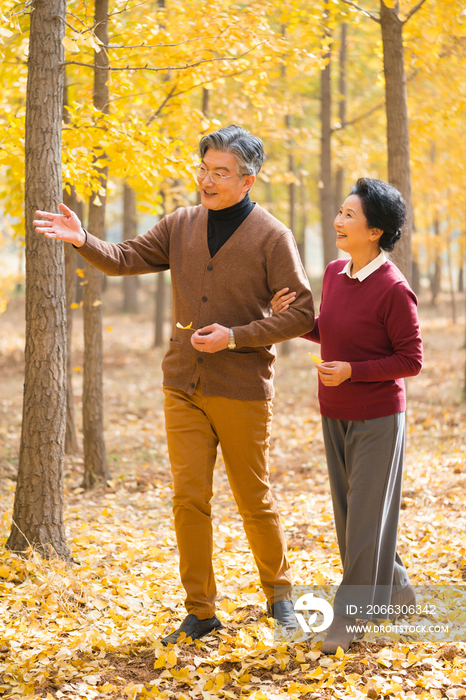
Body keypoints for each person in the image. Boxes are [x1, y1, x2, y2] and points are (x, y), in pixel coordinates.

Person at [34, 125, 315, 644]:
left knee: (253, 497)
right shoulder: (180, 224)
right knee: (189, 499)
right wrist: (82, 240)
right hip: (182, 385)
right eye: (203, 169)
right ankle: (201, 610)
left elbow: (301, 312)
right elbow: (124, 259)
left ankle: (280, 599)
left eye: (220, 172)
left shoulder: (273, 236)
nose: (206, 180)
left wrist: (235, 336)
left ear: (248, 180)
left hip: (242, 387)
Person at [271, 178, 422, 653]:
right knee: (350, 517)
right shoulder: (336, 273)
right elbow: (330, 331)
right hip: (332, 410)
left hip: (378, 418)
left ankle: (350, 621)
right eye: (339, 212)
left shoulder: (394, 289)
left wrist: (354, 372)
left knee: (363, 522)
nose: (338, 221)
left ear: (375, 231)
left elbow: (411, 359)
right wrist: (295, 319)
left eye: (349, 215)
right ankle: (397, 591)